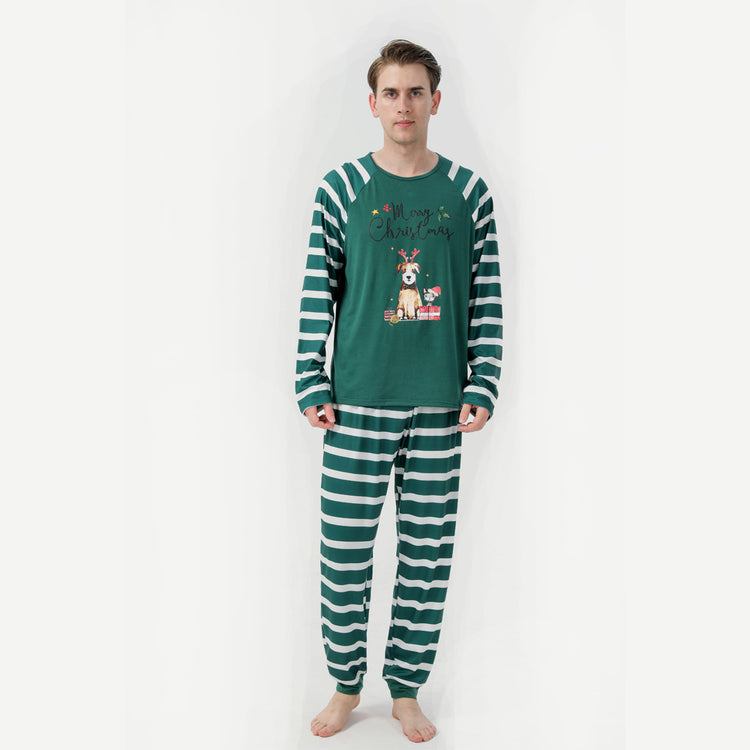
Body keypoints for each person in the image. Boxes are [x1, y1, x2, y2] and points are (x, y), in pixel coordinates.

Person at [295, 39, 503, 743]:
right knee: (344, 558)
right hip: (355, 403)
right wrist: (310, 378)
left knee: (425, 560)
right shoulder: (341, 189)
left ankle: (406, 691)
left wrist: (483, 379)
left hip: (441, 406)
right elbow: (317, 290)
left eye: (416, 92)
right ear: (373, 103)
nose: (404, 105)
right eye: (392, 93)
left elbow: (485, 297)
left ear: (435, 101)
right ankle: (345, 686)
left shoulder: (468, 194)